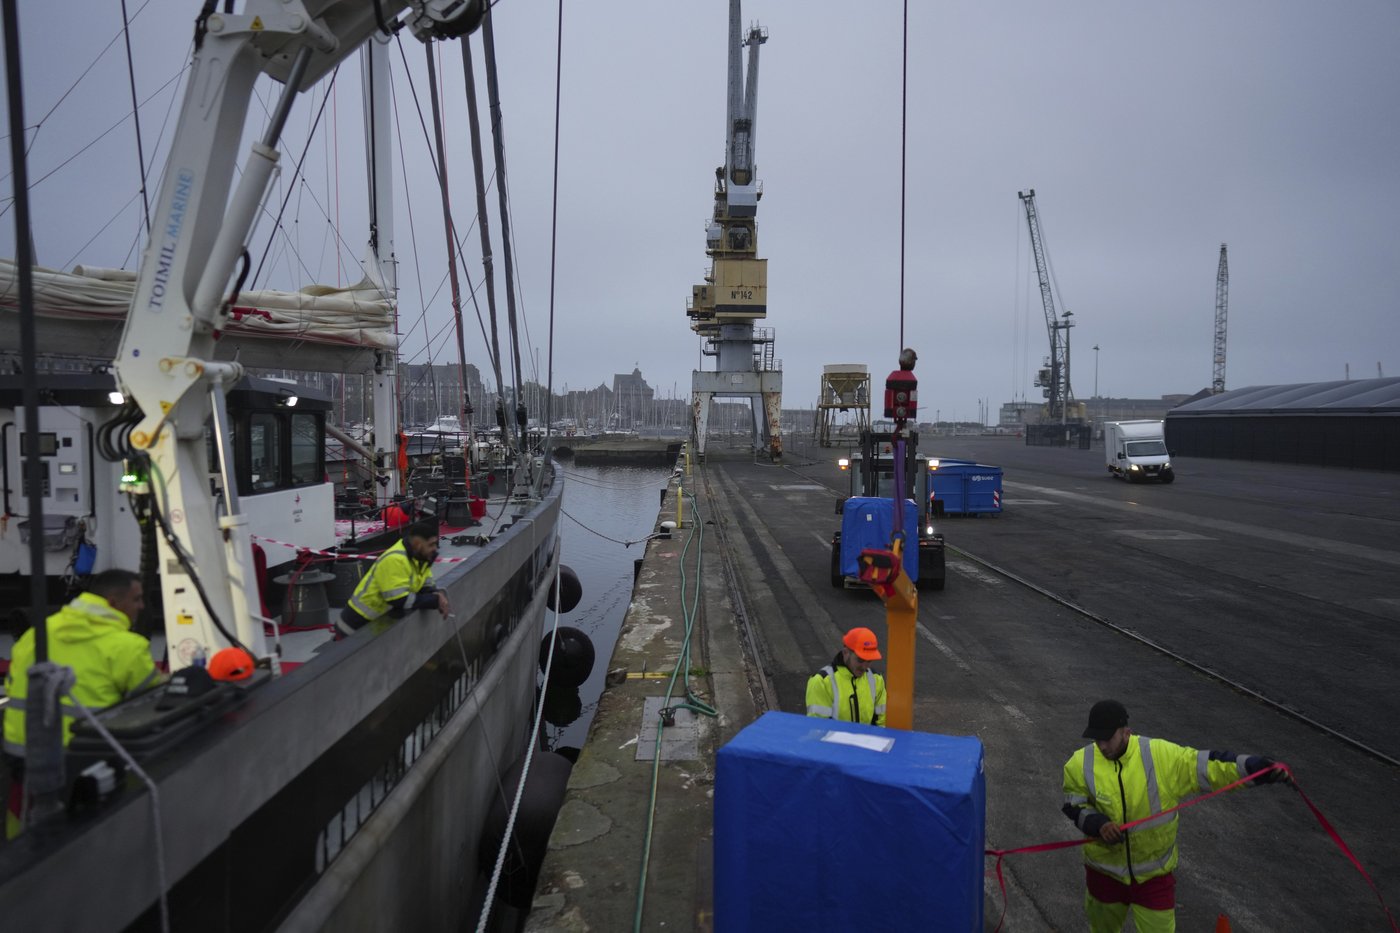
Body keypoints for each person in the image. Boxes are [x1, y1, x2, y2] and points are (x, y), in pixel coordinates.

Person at [1061, 699, 1291, 933]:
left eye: (1107, 738)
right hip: (1104, 875)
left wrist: (1260, 768)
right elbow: (1073, 804)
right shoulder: (1080, 763)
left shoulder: (1160, 755)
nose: (1101, 746)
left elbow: (1209, 765)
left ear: (1126, 732)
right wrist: (1097, 824)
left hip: (1153, 879)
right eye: (1096, 739)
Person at [3, 569, 159, 837]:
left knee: (26, 822)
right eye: (137, 599)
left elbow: (12, 686)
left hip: (21, 757)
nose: (142, 606)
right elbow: (155, 703)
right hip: (84, 760)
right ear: (113, 602)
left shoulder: (35, 635)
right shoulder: (127, 647)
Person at [336, 520, 450, 637]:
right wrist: (434, 600)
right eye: (431, 545)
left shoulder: (420, 558)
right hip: (355, 626)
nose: (435, 548)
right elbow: (398, 600)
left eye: (436, 544)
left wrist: (436, 594)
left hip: (376, 625)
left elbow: (426, 584)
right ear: (417, 544)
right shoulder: (395, 559)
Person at [804, 627, 888, 726]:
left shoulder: (876, 679)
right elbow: (817, 727)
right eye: (860, 660)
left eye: (869, 660)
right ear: (845, 653)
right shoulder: (821, 682)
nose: (864, 667)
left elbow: (883, 722)